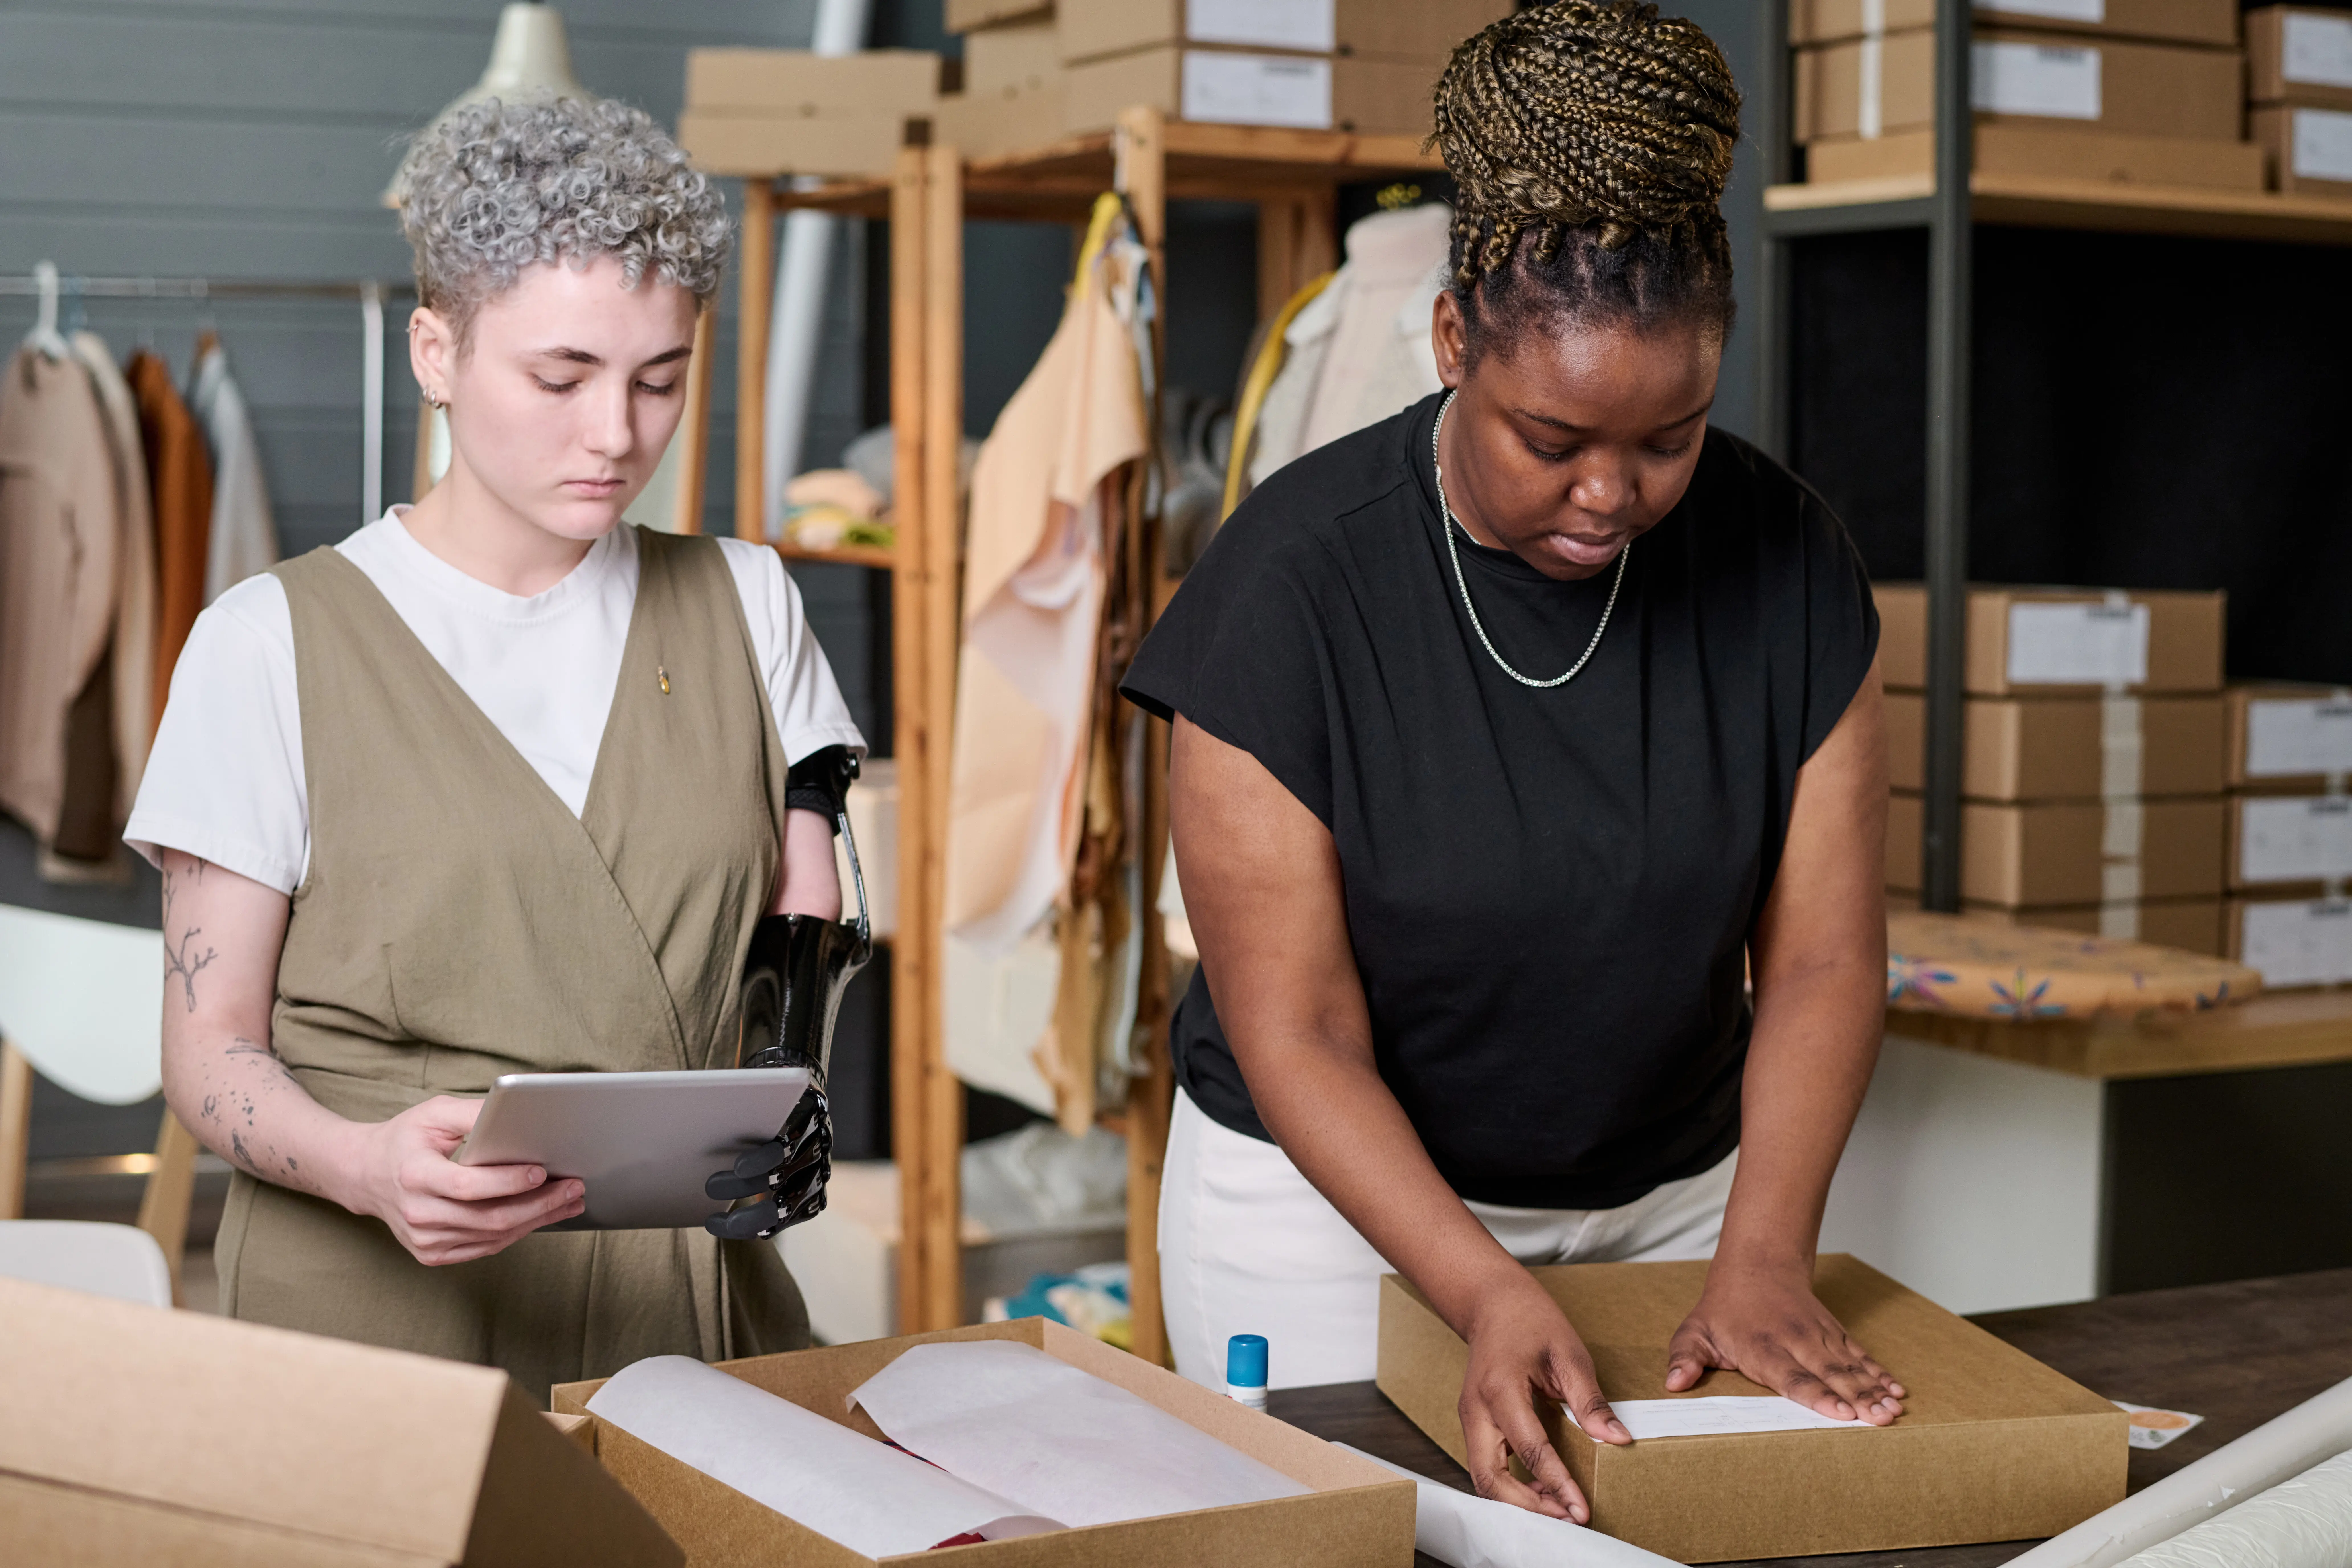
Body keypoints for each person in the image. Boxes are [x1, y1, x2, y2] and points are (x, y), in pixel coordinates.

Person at [1121, 0, 1901, 1523]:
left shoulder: (1791, 559)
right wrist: (1477, 1289)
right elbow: (1302, 1034)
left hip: (1672, 1197)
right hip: (1328, 1212)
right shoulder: (1290, 589)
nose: (1611, 493)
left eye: (1669, 437)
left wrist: (1760, 1255)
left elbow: (1820, 962)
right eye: (1552, 438)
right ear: (1451, 341)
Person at [128, 98, 865, 1402]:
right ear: (435, 350)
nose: (616, 435)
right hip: (379, 1308)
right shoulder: (267, 645)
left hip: (683, 1292)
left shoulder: (749, 601)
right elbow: (208, 1050)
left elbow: (803, 911)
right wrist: (365, 1165)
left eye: (660, 379)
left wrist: (785, 1101)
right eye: (561, 376)